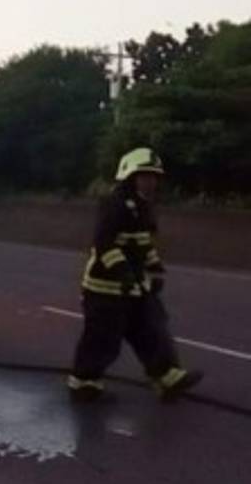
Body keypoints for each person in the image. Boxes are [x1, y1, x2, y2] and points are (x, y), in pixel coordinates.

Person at [68, 147, 203, 403]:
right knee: (102, 339)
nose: (150, 181)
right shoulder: (114, 204)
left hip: (136, 286)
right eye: (144, 175)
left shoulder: (144, 206)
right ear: (129, 176)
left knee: (153, 329)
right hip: (105, 288)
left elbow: (144, 244)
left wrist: (155, 270)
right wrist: (123, 272)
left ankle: (167, 376)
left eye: (153, 176)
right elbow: (104, 243)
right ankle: (84, 383)